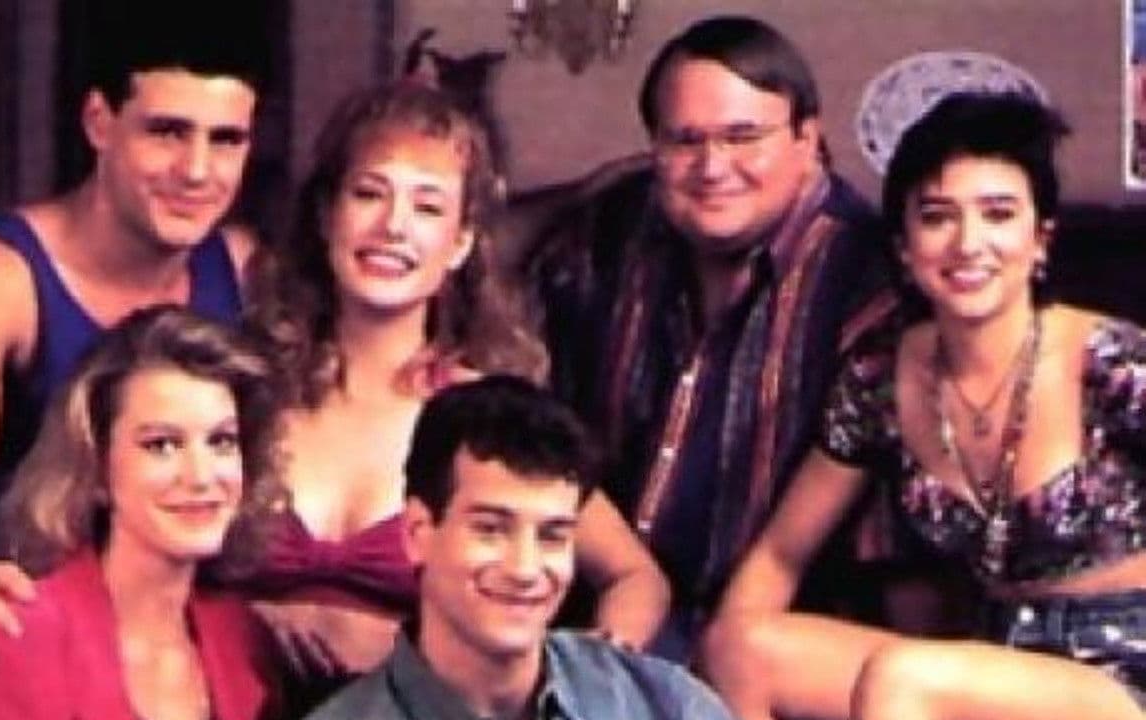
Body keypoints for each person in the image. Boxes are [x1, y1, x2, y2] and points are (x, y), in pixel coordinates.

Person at [701, 92, 1146, 719]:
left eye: (998, 214)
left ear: (1040, 239)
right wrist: (712, 655)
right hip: (994, 660)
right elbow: (779, 556)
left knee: (906, 677)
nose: (968, 243)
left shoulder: (1113, 363)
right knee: (741, 649)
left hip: (1122, 670)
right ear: (906, 248)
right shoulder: (880, 376)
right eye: (937, 217)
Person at [234, 80, 668, 707]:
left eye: (428, 207)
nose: (393, 226)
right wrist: (243, 620)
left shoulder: (485, 416)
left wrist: (575, 684)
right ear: (327, 216)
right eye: (369, 193)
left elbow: (636, 579)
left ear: (461, 243)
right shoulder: (244, 390)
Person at [0, 1, 268, 700]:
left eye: (226, 140)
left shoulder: (241, 267)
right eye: (167, 132)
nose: (196, 170)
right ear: (99, 122)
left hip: (126, 625)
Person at [527, 14, 891, 658]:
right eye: (684, 140)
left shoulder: (867, 278)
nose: (713, 167)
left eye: (743, 137)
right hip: (593, 619)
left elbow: (890, 558)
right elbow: (476, 268)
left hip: (776, 647)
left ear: (808, 138)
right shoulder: (614, 225)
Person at [0, 305, 283, 719]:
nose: (201, 476)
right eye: (161, 445)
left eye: (221, 441)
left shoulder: (243, 640)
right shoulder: (7, 634)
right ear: (97, 468)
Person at [306, 375, 731, 719]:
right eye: (491, 530)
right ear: (417, 533)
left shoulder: (666, 705)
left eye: (552, 536)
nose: (525, 569)